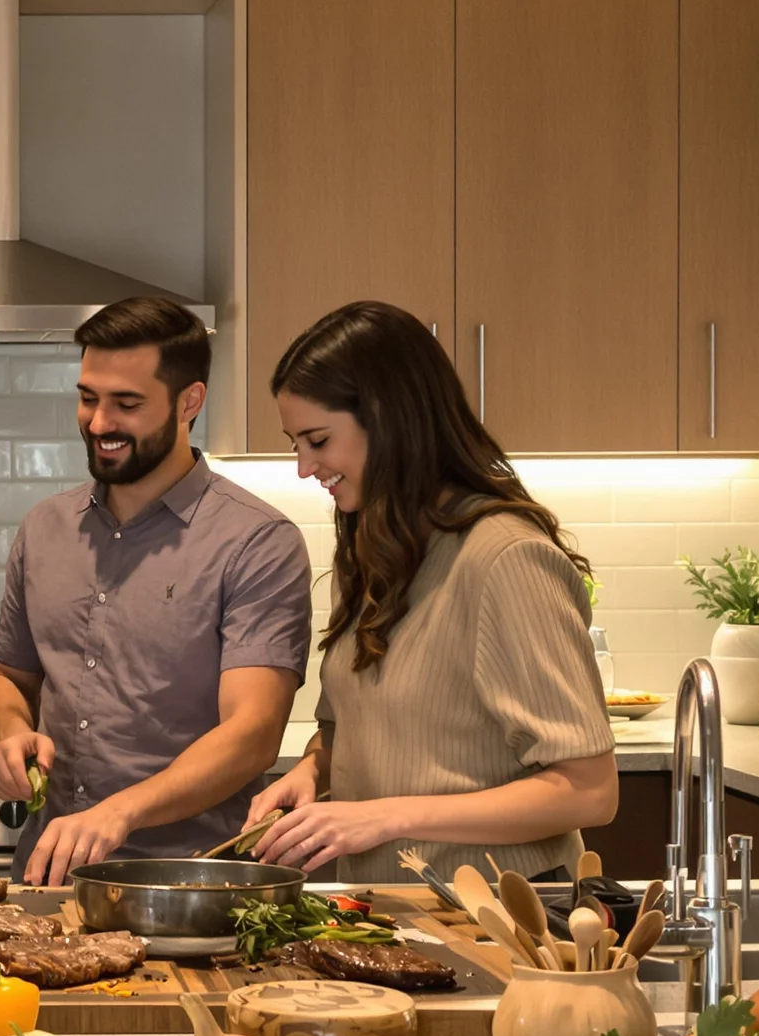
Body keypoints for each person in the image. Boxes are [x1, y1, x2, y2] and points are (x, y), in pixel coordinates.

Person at [247, 301, 617, 882]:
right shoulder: (374, 548)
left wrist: (383, 818)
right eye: (296, 443)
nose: (303, 467)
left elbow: (589, 791)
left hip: (501, 915)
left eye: (317, 440)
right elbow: (354, 731)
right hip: (397, 910)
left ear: (391, 421)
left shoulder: (506, 559)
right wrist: (312, 771)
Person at [0, 296, 314, 887]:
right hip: (50, 877)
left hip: (193, 886)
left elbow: (254, 733)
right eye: (88, 398)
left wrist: (121, 812)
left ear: (190, 402)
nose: (98, 423)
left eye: (126, 404)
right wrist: (10, 732)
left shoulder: (257, 541)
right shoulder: (45, 528)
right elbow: (5, 674)